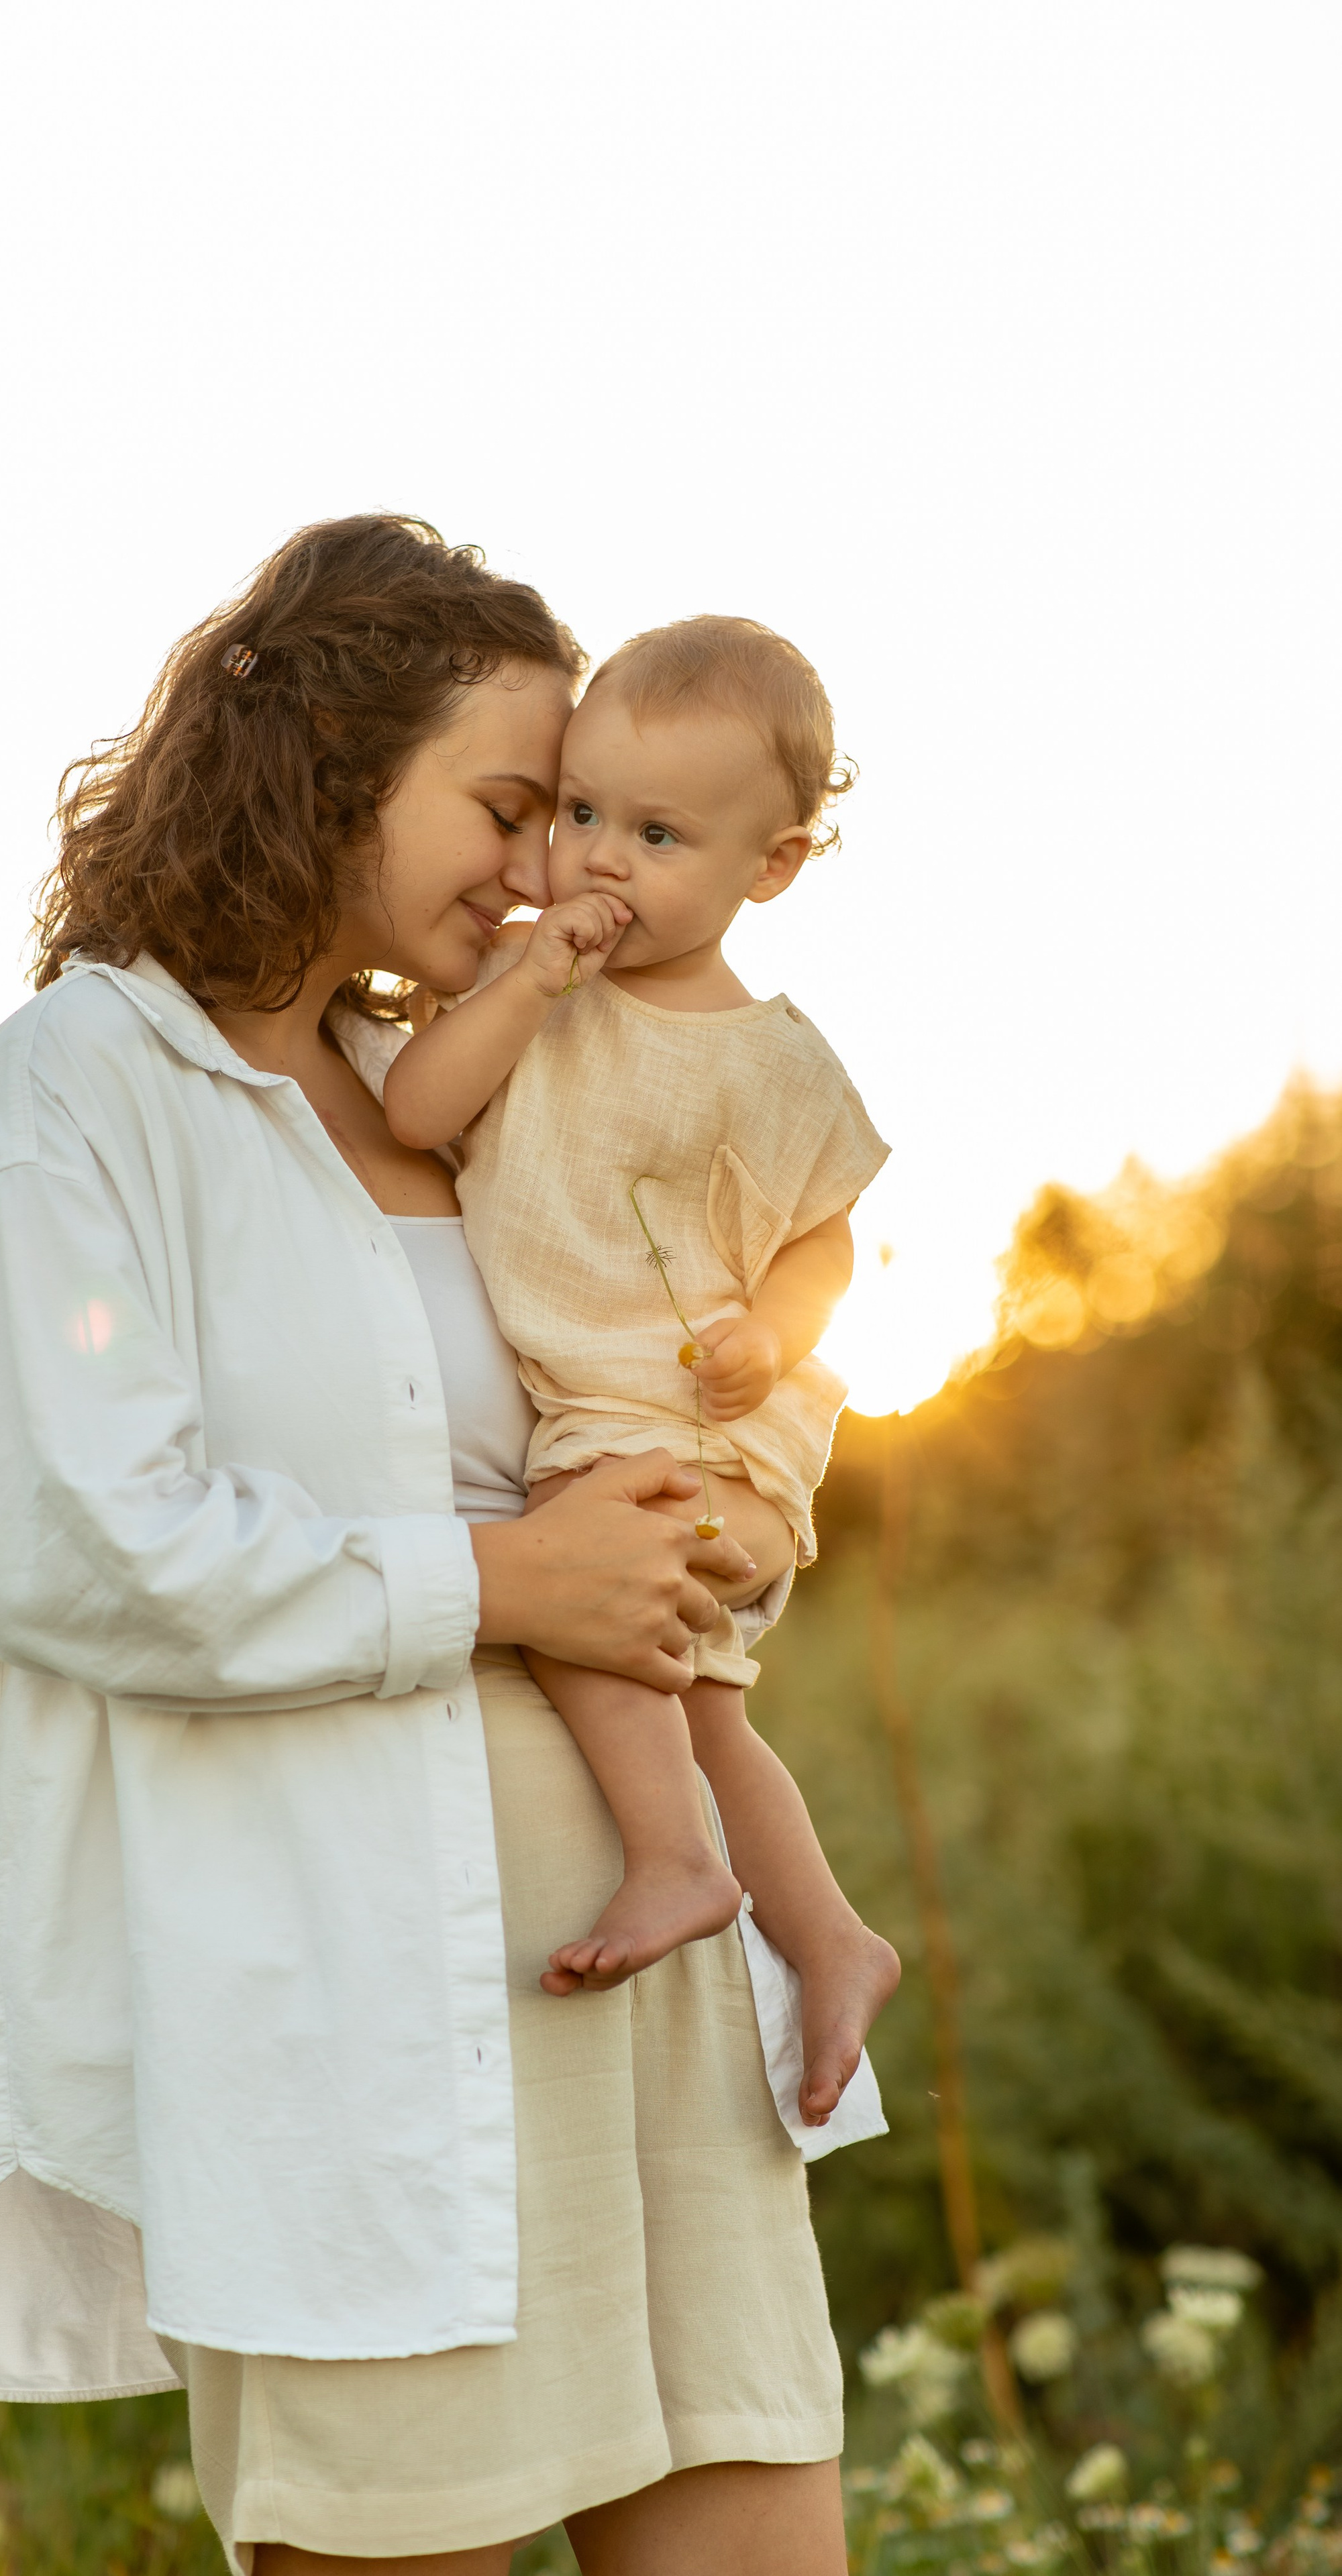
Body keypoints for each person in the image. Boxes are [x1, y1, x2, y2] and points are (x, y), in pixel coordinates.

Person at [0, 517, 875, 2576]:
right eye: (510, 804)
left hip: (648, 1987)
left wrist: (717, 1515)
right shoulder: (79, 1096)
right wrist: (504, 1585)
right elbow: (74, 1539)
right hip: (357, 2025)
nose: (550, 867)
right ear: (335, 765)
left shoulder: (461, 1090)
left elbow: (663, 1391)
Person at [382, 617, 900, 2122]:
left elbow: (824, 1243)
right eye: (577, 813)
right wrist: (527, 984)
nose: (598, 860)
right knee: (703, 1706)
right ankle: (825, 1933)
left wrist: (775, 1333)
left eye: (656, 834)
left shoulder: (779, 1062)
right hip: (614, 1414)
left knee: (571, 1600)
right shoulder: (524, 992)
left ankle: (674, 1862)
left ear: (772, 865)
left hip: (691, 1421)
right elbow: (419, 1108)